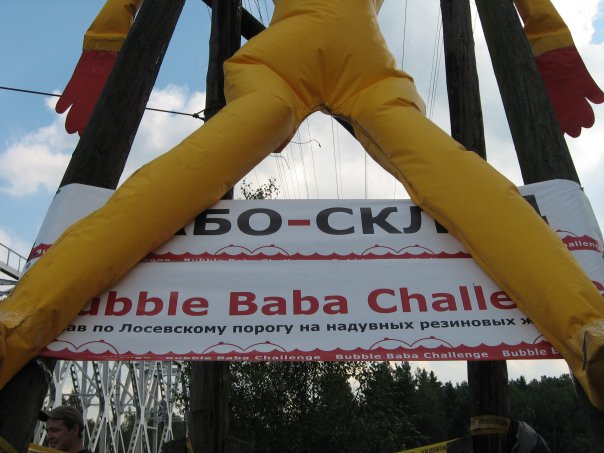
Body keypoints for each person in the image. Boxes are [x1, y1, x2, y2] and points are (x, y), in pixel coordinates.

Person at [0, 0, 603, 411]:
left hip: (283, 62)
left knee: (176, 182)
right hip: (363, 66)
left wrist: (105, 44)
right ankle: (588, 330)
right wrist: (549, 46)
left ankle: (16, 325)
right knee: (458, 179)